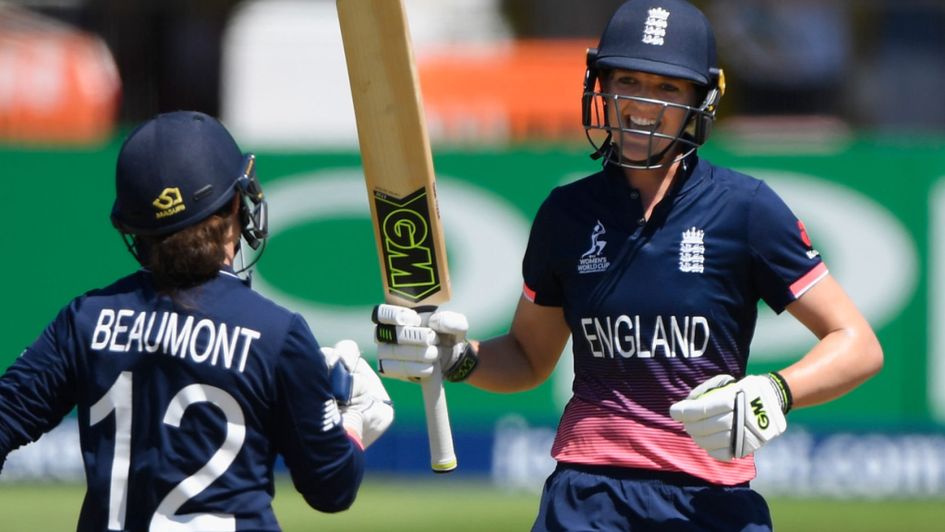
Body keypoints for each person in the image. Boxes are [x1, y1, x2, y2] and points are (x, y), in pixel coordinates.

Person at [372, 0, 883, 530]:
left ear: (699, 101)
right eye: (628, 80)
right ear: (603, 86)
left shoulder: (746, 209)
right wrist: (457, 358)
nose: (643, 103)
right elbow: (528, 357)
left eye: (668, 88)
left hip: (710, 499)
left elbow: (857, 344)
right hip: (587, 496)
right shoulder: (566, 214)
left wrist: (774, 392)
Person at [0, 111, 394, 531]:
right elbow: (331, 488)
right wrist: (350, 419)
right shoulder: (278, 335)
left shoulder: (84, 320)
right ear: (236, 205)